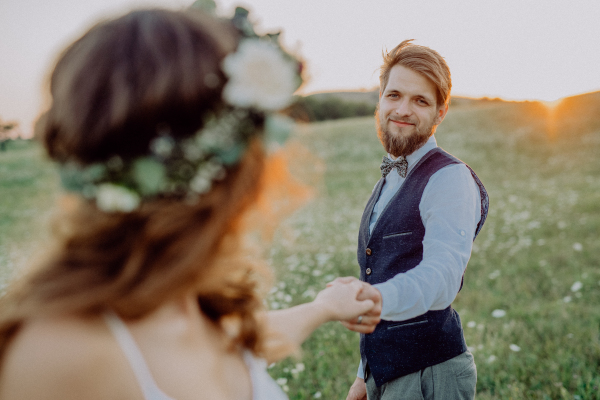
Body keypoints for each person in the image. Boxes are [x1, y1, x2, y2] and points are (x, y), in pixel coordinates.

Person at [0, 7, 379, 400]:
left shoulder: (190, 305)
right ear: (233, 160)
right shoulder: (61, 355)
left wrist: (325, 307)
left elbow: (253, 338)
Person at [341, 40, 489, 400]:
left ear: (440, 112)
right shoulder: (386, 181)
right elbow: (383, 269)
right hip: (383, 376)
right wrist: (364, 375)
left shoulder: (450, 178)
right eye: (394, 95)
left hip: (430, 377)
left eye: (420, 100)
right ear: (380, 101)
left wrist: (371, 300)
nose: (402, 109)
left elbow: (441, 278)